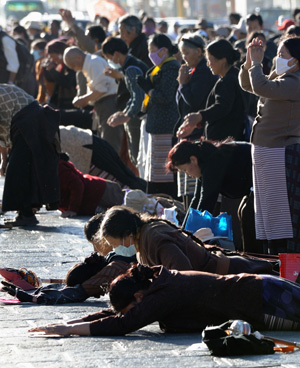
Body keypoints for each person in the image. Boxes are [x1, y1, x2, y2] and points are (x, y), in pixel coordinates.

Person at [28, 263, 300, 336]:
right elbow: (121, 315)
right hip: (261, 293)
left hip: (266, 299)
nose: (135, 312)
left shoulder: (164, 294)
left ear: (138, 296)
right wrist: (71, 322)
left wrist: (69, 330)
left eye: (133, 306)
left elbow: (124, 324)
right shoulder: (157, 283)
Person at [239, 36, 300, 254]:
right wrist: (248, 62)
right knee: (266, 209)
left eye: (283, 55)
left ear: (296, 61)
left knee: (279, 212)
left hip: (280, 152)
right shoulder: (282, 76)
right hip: (266, 151)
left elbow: (261, 87)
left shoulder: (295, 82)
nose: (277, 58)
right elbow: (249, 85)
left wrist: (257, 64)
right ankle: (271, 252)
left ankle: (283, 255)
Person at [96, 205, 278, 276]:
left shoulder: (154, 238)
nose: (115, 248)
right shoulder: (144, 236)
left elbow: (182, 274)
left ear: (126, 233)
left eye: (114, 243)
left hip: (232, 273)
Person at [0, 84, 60, 226]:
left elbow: (3, 132)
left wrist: (5, 160)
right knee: (24, 169)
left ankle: (26, 215)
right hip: (26, 122)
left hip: (28, 120)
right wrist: (4, 160)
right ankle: (25, 213)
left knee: (18, 170)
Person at [166, 139, 252, 229]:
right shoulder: (204, 161)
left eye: (185, 170)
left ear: (193, 160)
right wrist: (184, 230)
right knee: (245, 212)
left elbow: (206, 203)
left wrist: (191, 234)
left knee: (247, 213)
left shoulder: (212, 163)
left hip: (261, 171)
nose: (187, 174)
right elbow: (196, 199)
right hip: (251, 183)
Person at [177, 38, 246, 142]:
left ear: (222, 60)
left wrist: (199, 116)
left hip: (225, 142)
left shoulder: (228, 81)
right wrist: (197, 123)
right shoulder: (233, 76)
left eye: (210, 59)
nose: (208, 64)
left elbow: (222, 107)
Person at [137, 34, 180, 197]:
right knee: (156, 168)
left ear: (163, 50)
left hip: (165, 124)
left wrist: (149, 89)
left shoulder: (171, 68)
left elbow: (166, 97)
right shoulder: (161, 68)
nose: (150, 54)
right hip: (158, 124)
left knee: (163, 171)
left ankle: (165, 199)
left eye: (152, 50)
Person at [63, 46, 123, 154]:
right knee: (106, 143)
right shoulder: (89, 65)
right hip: (103, 105)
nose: (73, 69)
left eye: (72, 65)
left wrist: (83, 100)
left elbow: (101, 89)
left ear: (78, 57)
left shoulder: (94, 63)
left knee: (111, 146)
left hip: (109, 104)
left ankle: (112, 170)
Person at [102, 36, 149, 167]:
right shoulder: (131, 65)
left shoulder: (131, 68)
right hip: (137, 115)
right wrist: (123, 112)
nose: (109, 61)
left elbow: (138, 97)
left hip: (138, 117)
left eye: (109, 57)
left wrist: (126, 115)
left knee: (138, 157)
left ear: (116, 54)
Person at [59, 125, 147, 191]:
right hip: (89, 145)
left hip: (89, 150)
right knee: (125, 178)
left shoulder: (47, 130)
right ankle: (152, 191)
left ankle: (153, 193)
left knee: (124, 182)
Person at [58, 154, 124, 217]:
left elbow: (77, 185)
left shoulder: (58, 165)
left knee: (130, 204)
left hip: (102, 192)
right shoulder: (52, 165)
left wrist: (72, 209)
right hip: (91, 203)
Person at [43, 39, 77, 109]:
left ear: (60, 54)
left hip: (70, 103)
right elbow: (51, 80)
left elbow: (67, 82)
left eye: (53, 56)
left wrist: (52, 71)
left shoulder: (71, 65)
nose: (52, 59)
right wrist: (46, 69)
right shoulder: (59, 66)